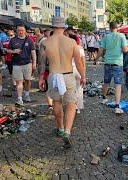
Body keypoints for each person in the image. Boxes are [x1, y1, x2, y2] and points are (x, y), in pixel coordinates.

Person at [38, 17, 86, 148]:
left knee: (56, 103)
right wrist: (83, 76)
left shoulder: (45, 42)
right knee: (71, 104)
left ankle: (60, 128)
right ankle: (67, 131)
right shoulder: (71, 42)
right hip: (68, 75)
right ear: (64, 27)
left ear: (52, 27)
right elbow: (78, 63)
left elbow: (42, 63)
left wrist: (41, 77)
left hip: (53, 75)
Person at [96, 22, 128, 114]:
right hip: (117, 63)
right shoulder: (121, 36)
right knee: (118, 84)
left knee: (106, 82)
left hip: (108, 62)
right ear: (117, 27)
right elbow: (125, 50)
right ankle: (117, 106)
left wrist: (96, 59)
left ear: (109, 27)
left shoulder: (106, 37)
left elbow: (101, 50)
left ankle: (104, 98)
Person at [8, 25, 36, 106]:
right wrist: (14, 51)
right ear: (16, 31)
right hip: (16, 64)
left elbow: (33, 52)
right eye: (19, 30)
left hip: (27, 63)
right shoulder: (13, 40)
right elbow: (8, 50)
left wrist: (34, 63)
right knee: (19, 81)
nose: (21, 32)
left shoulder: (29, 40)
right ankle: (20, 99)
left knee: (27, 80)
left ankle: (27, 94)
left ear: (25, 31)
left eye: (22, 30)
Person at [69, 34, 86, 114]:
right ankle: (78, 107)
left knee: (71, 89)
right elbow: (83, 63)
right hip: (79, 70)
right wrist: (84, 75)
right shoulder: (80, 48)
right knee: (79, 89)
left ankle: (72, 106)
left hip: (70, 70)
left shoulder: (67, 48)